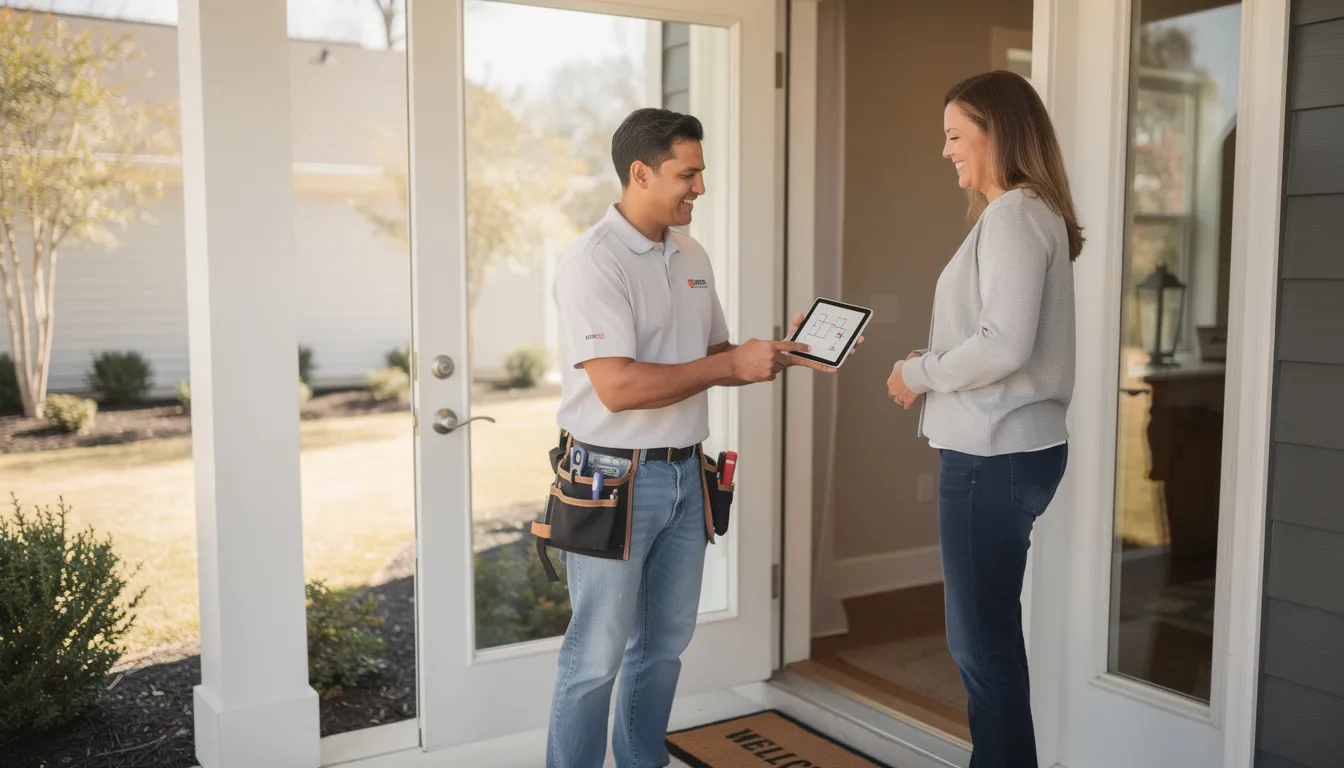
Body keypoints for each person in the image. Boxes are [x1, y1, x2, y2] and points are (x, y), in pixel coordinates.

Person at [547, 107, 859, 768]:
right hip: (612, 479)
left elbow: (710, 352)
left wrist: (773, 352)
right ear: (640, 173)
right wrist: (726, 364)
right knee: (595, 655)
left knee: (663, 647)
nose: (700, 188)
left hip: (688, 476)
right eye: (687, 174)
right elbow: (619, 387)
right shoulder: (592, 264)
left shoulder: (691, 254)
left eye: (702, 173)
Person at [886, 71, 1083, 767]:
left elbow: (1005, 344)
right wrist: (936, 357)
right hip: (1013, 451)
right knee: (991, 641)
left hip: (990, 459)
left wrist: (918, 374)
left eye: (954, 135)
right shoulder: (1028, 215)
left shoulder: (1015, 215)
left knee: (981, 648)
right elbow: (999, 334)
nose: (945, 151)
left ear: (997, 133)